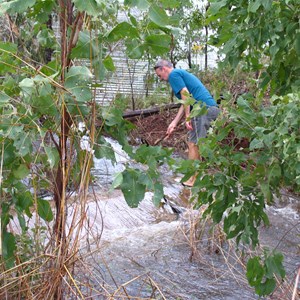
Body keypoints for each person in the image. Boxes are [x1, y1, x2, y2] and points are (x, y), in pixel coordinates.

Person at [154, 59, 220, 187]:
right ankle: (195, 177)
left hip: (202, 109)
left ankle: (193, 179)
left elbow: (186, 95)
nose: (161, 78)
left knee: (193, 144)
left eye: (159, 75)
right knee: (195, 143)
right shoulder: (180, 73)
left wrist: (188, 116)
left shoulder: (174, 75)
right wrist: (174, 122)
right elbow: (185, 100)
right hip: (208, 109)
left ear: (163, 69)